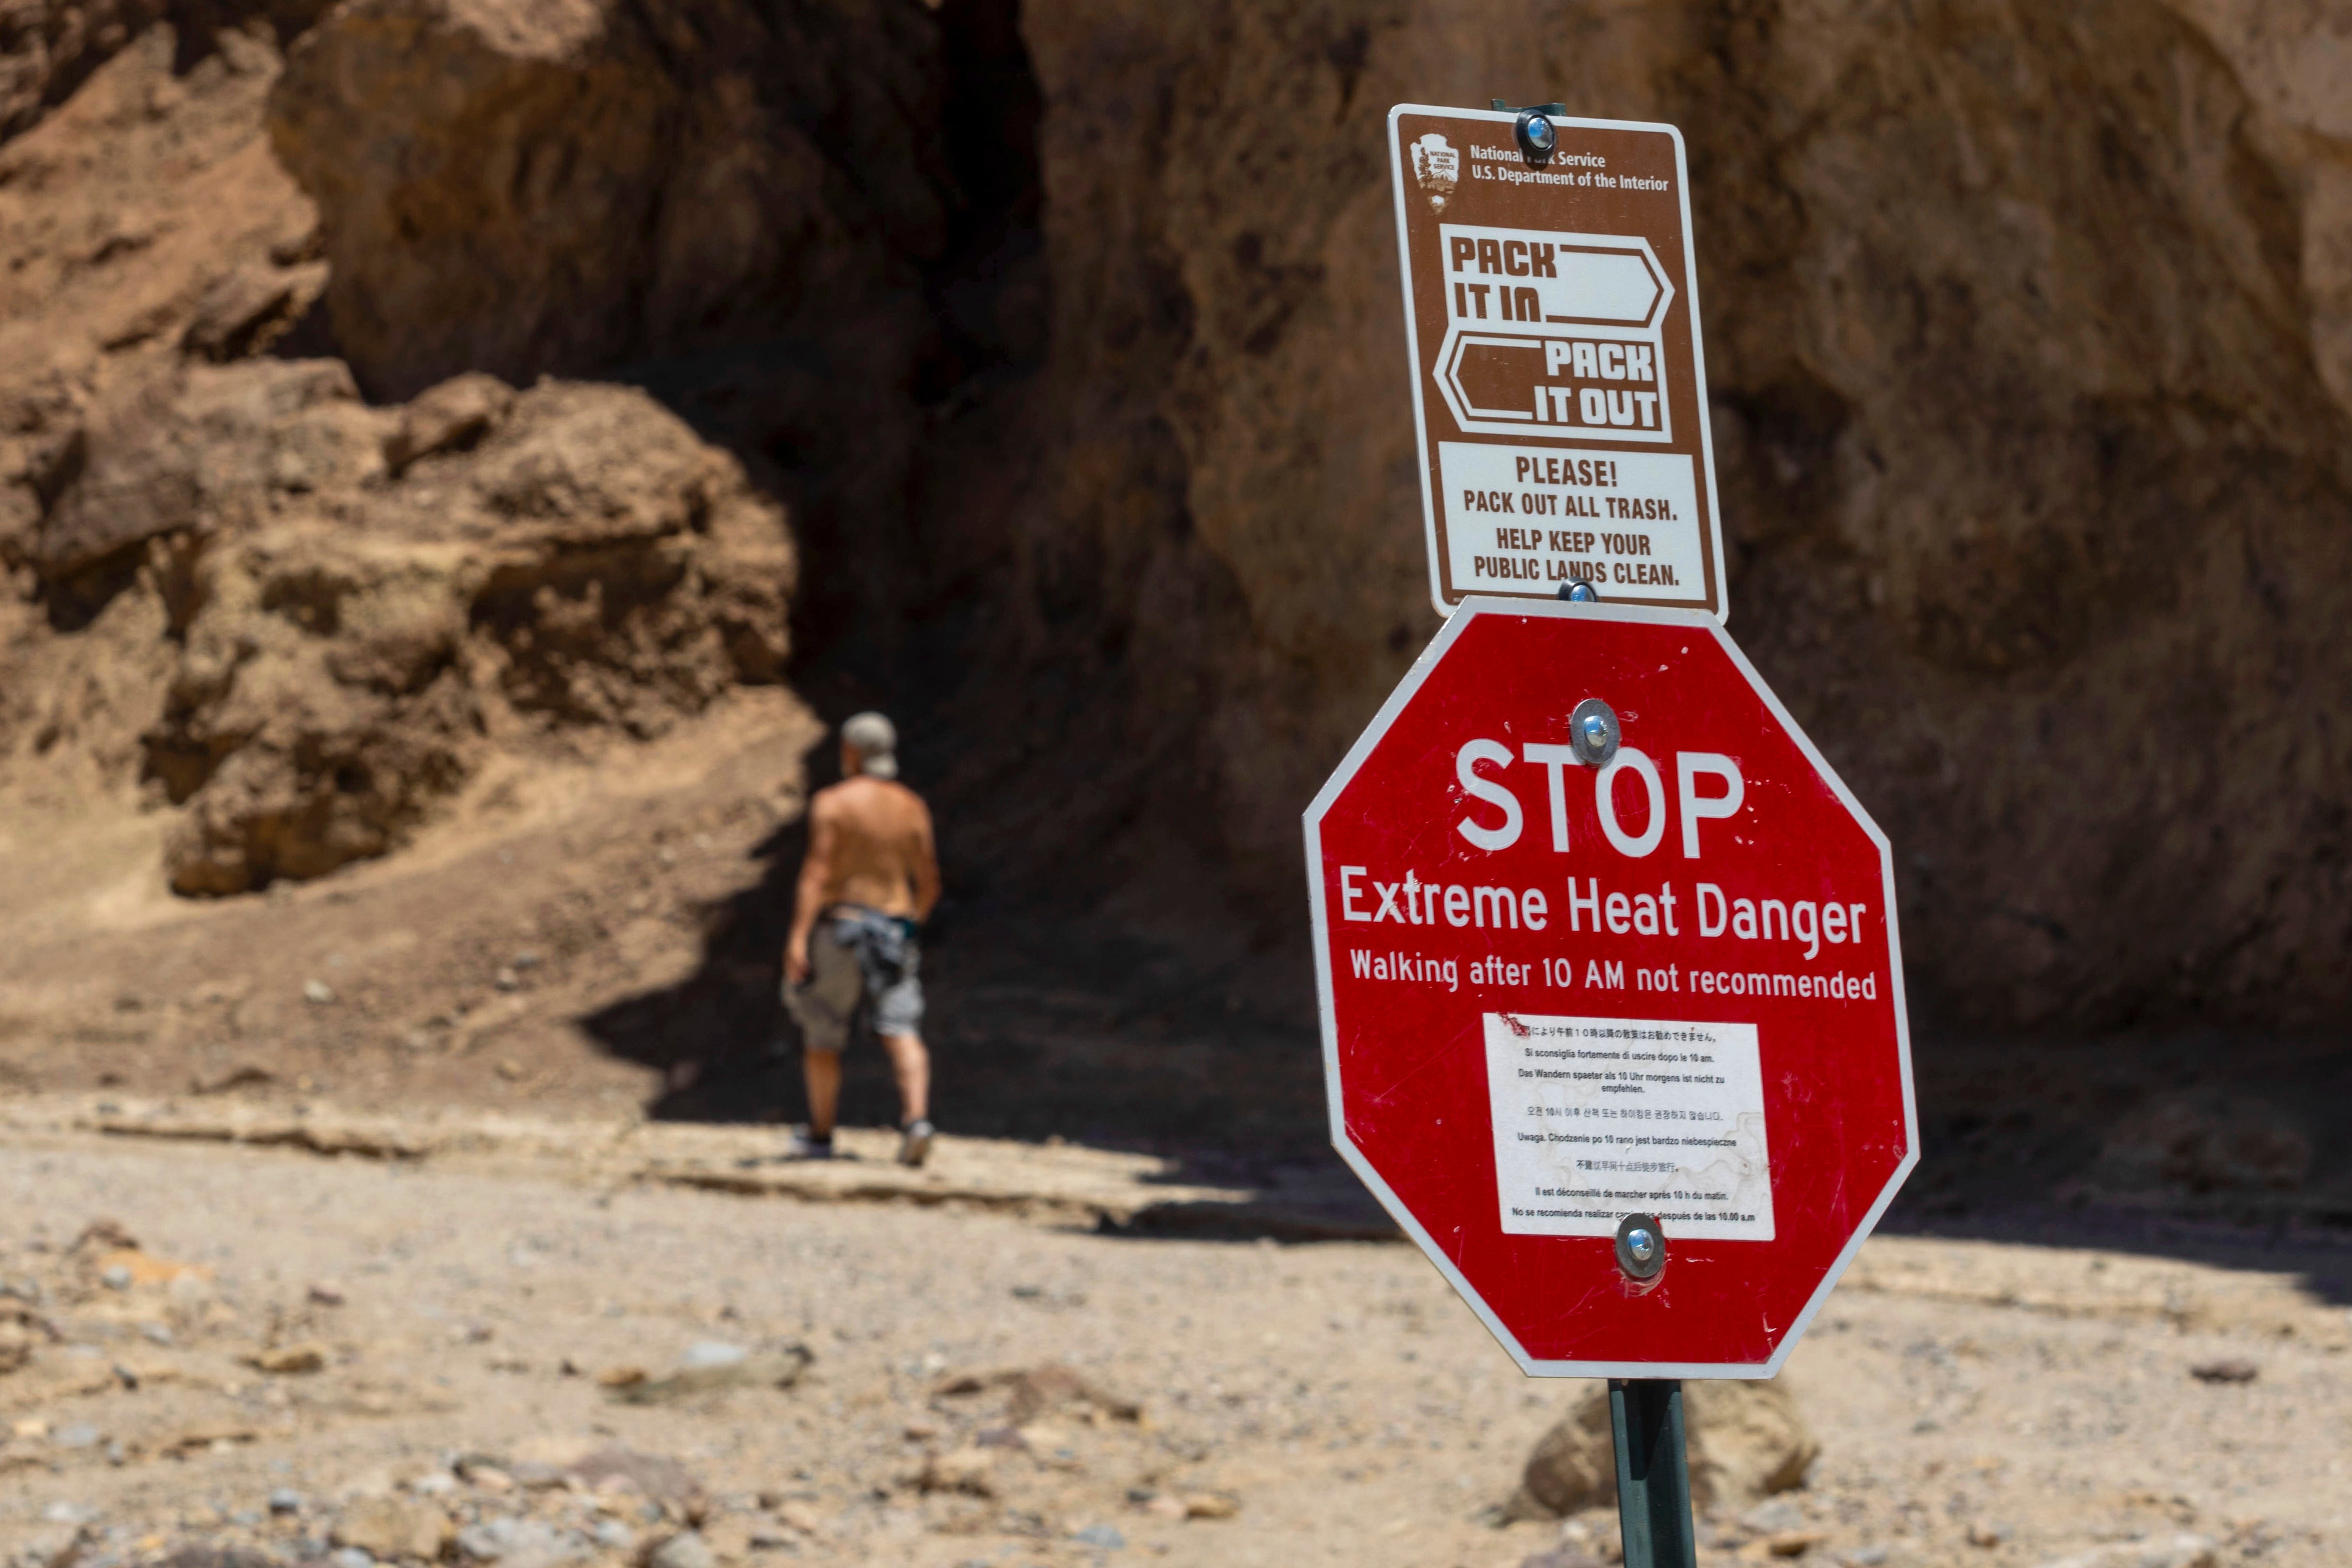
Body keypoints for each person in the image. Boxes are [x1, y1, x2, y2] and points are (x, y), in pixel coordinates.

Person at [781, 712, 941, 1166]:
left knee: (824, 1028)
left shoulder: (833, 803)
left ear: (850, 751)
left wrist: (797, 937)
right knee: (901, 1026)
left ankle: (821, 1132)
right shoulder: (912, 807)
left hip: (842, 926)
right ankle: (916, 1121)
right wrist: (912, 923)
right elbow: (928, 881)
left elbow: (816, 872)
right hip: (893, 927)